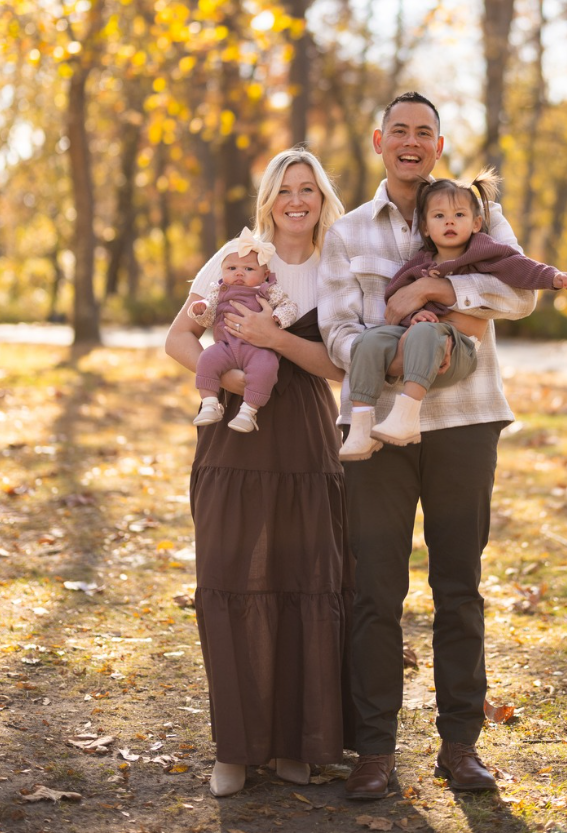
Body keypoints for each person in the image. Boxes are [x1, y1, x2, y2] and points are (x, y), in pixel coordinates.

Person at [319, 91, 536, 799]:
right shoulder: (348, 230)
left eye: (425, 133)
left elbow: (521, 296)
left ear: (437, 146)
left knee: (458, 588)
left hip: (467, 423)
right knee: (376, 591)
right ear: (380, 139)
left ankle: (460, 744)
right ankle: (375, 750)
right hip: (375, 431)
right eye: (400, 131)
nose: (411, 142)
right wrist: (391, 353)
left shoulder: (474, 209)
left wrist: (432, 289)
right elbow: (337, 327)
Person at [166, 148, 354, 797]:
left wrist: (276, 343)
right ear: (269, 200)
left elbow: (341, 368)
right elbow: (177, 339)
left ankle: (299, 741)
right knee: (229, 576)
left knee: (302, 578)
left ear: (322, 197)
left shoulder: (337, 265)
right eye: (284, 190)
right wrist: (232, 375)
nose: (295, 200)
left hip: (302, 436)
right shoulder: (236, 257)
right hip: (233, 441)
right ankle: (236, 749)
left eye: (307, 189)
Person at [339, 170, 567, 460]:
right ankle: (362, 427)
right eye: (439, 216)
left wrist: (553, 277)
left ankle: (406, 416)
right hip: (420, 338)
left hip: (459, 348)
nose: (449, 221)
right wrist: (411, 317)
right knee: (369, 340)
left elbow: (519, 267)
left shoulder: (483, 252)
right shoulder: (421, 263)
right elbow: (397, 299)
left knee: (425, 333)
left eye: (459, 215)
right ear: (424, 228)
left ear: (477, 223)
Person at [188, 227, 298, 433]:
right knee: (206, 358)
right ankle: (210, 403)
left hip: (257, 349)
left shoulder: (268, 289)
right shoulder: (219, 291)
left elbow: (289, 307)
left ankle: (248, 411)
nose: (239, 273)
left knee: (266, 367)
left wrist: (277, 318)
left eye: (248, 269)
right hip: (226, 346)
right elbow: (209, 315)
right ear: (222, 272)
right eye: (232, 269)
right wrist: (201, 309)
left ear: (265, 275)